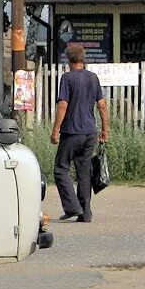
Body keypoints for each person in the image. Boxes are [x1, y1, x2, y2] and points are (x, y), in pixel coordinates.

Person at [51, 43, 109, 222]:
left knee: (61, 169)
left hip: (72, 131)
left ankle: (72, 207)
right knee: (84, 171)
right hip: (90, 132)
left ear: (68, 60)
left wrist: (55, 130)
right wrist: (105, 130)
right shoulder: (93, 78)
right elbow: (102, 105)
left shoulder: (67, 78)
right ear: (83, 59)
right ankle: (85, 213)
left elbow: (63, 105)